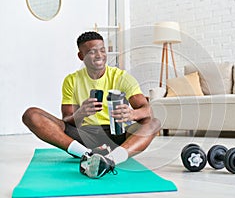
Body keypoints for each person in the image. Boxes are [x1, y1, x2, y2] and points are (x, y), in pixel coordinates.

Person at [22, 31, 161, 178]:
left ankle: (109, 160)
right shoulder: (71, 80)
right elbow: (66, 121)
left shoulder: (121, 77)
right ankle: (88, 155)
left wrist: (132, 114)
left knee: (153, 122)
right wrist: (80, 113)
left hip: (116, 135)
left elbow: (147, 110)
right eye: (92, 52)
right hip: (83, 136)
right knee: (31, 115)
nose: (99, 55)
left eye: (102, 50)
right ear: (81, 56)